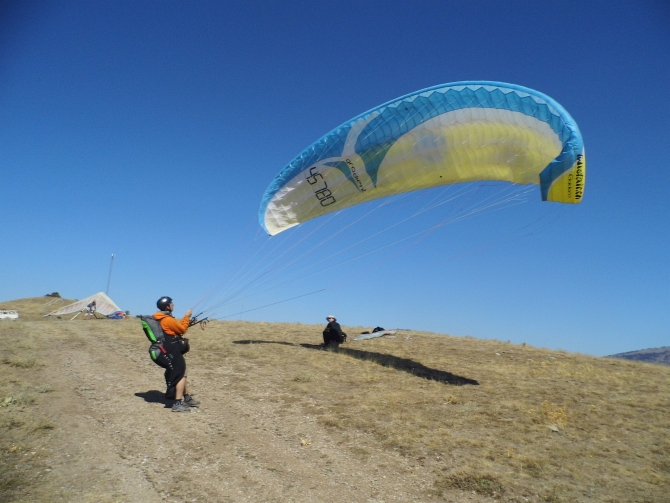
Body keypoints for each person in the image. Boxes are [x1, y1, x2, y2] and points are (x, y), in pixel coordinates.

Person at [153, 296, 200, 412]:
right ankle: (177, 403)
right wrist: (187, 316)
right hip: (171, 349)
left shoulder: (162, 318)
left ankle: (187, 398)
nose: (173, 304)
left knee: (183, 372)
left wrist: (187, 321)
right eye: (171, 303)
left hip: (169, 349)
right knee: (180, 374)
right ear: (167, 307)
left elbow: (177, 328)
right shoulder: (167, 319)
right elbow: (182, 330)